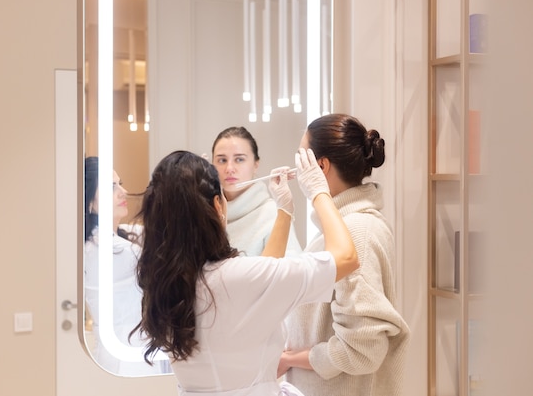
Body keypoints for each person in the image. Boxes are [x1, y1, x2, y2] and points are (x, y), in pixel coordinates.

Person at [131, 149, 359, 396]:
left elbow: (259, 285)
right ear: (218, 205)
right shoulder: (234, 277)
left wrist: (284, 211)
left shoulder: (163, 285)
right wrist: (318, 193)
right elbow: (346, 257)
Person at [279, 114, 410, 396]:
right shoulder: (344, 225)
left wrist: (290, 359)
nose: (296, 169)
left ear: (321, 166)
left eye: (301, 159)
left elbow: (362, 349)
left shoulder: (357, 231)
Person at [83, 156, 170, 376]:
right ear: (89, 202)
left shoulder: (114, 240)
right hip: (130, 357)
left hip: (125, 353)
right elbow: (165, 252)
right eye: (112, 187)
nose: (123, 191)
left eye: (119, 183)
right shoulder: (104, 249)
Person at [211, 126, 302, 256]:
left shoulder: (273, 215)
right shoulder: (206, 213)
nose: (229, 168)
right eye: (222, 160)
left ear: (256, 164)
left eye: (239, 159)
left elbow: (289, 272)